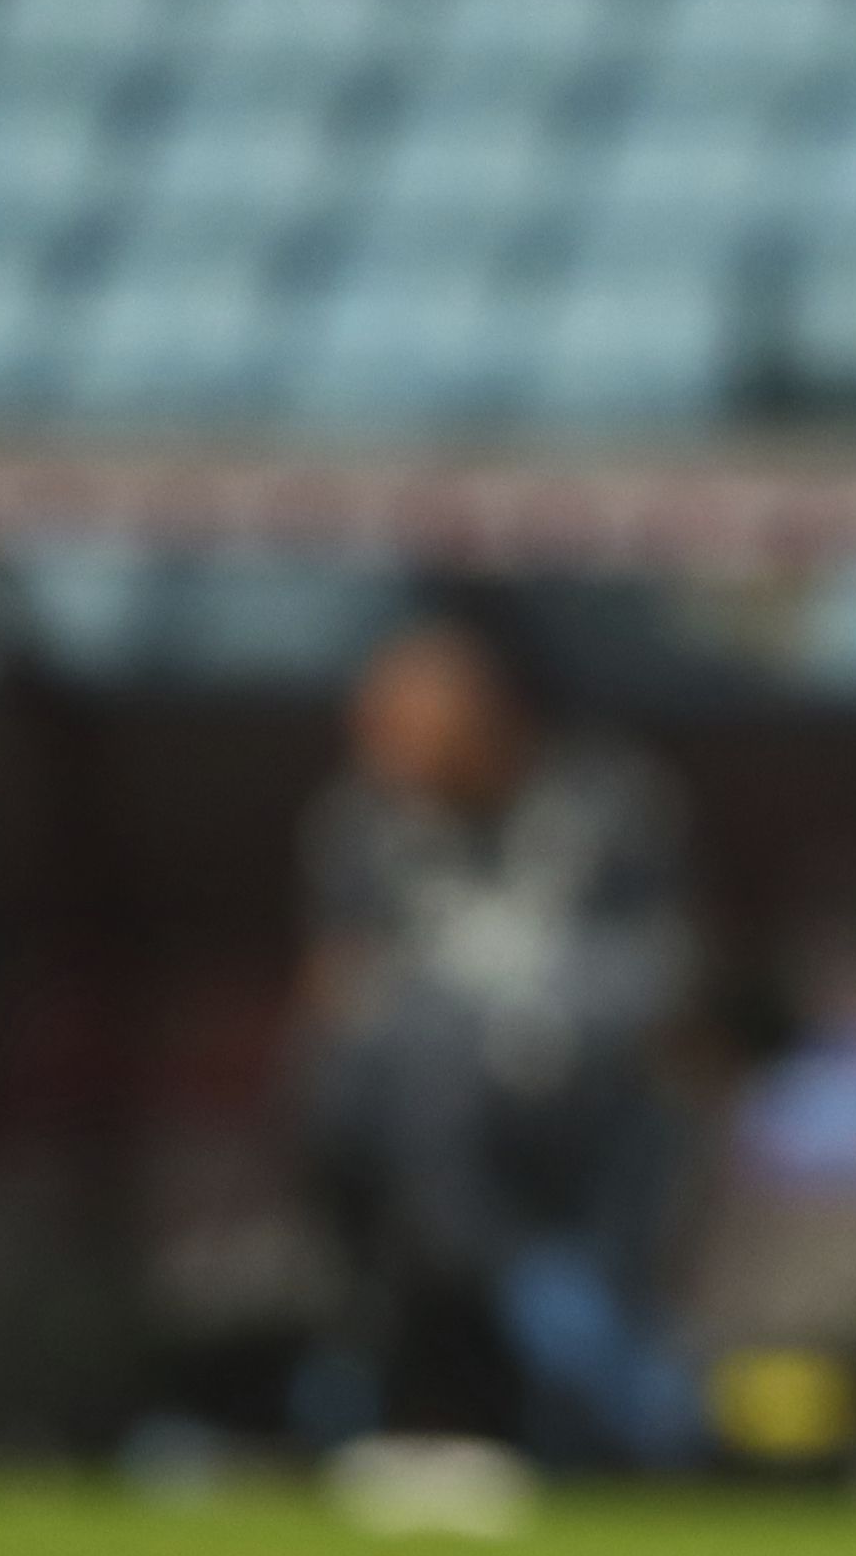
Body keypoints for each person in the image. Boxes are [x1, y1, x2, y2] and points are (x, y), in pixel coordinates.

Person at [295, 599, 699, 1464]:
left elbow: (667, 976)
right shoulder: (361, 824)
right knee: (383, 1081)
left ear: (485, 711)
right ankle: (424, 1383)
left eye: (407, 717)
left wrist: (535, 1035)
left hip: (586, 1123)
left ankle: (603, 1409)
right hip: (427, 1148)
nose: (380, 741)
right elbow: (333, 989)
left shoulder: (606, 804)